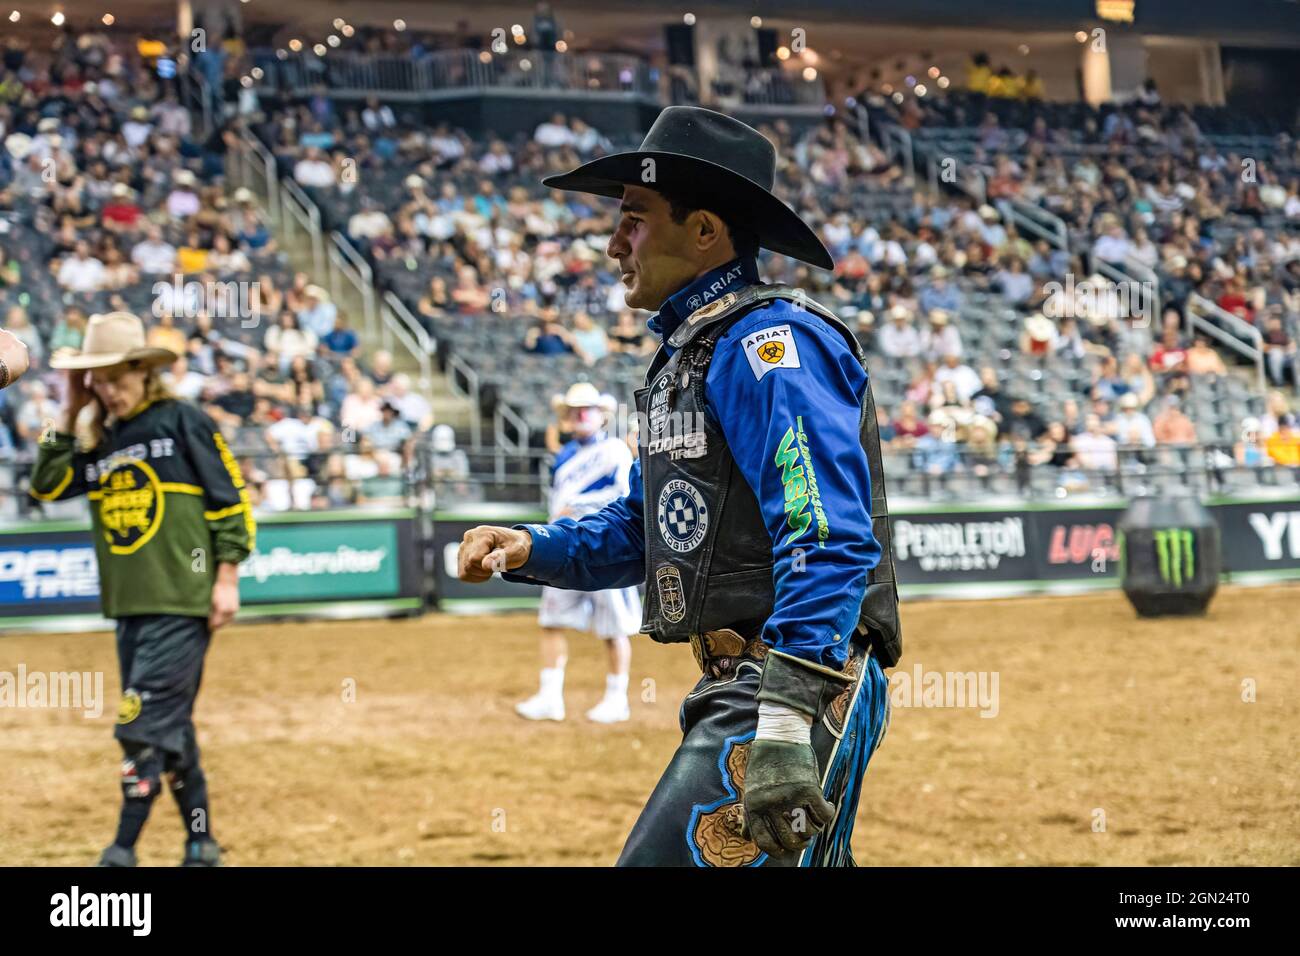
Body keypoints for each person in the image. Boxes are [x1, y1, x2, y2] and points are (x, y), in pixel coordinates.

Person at [456, 107, 899, 867]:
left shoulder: (770, 345)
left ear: (703, 231)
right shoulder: (697, 353)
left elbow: (825, 533)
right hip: (763, 679)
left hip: (793, 678)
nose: (611, 244)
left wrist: (787, 719)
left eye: (632, 219)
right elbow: (647, 527)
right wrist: (534, 546)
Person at [29, 312, 255, 867]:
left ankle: (122, 850)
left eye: (115, 378)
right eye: (97, 382)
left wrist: (227, 578)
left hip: (182, 601)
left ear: (142, 372)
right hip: (129, 608)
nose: (108, 390)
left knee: (137, 724)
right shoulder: (104, 439)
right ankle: (200, 843)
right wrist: (69, 412)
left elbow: (231, 501)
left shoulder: (183, 420)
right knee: (168, 726)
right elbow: (47, 484)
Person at [517, 384, 642, 724]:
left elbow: (624, 496)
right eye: (574, 409)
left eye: (586, 408)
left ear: (602, 414)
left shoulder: (615, 450)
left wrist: (579, 507)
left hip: (606, 540)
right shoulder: (564, 455)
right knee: (551, 620)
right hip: (564, 541)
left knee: (613, 627)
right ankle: (549, 696)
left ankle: (618, 699)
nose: (581, 415)